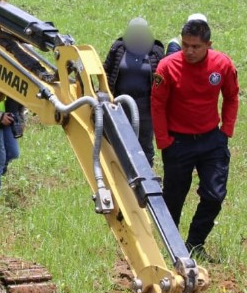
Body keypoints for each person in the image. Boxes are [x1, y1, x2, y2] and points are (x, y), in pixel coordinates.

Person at [151, 18, 239, 261]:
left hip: (211, 140)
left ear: (208, 45)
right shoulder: (167, 67)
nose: (189, 51)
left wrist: (226, 131)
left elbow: (232, 96)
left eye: (196, 47)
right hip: (178, 142)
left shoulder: (222, 64)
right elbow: (157, 105)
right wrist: (163, 141)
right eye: (185, 45)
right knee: (173, 197)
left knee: (215, 195)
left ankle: (195, 243)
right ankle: (171, 248)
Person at [102, 17, 165, 164]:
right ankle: (118, 171)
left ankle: (145, 170)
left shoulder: (155, 52)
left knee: (144, 143)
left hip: (145, 107)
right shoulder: (118, 48)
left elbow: (162, 76)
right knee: (117, 140)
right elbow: (106, 70)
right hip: (119, 103)